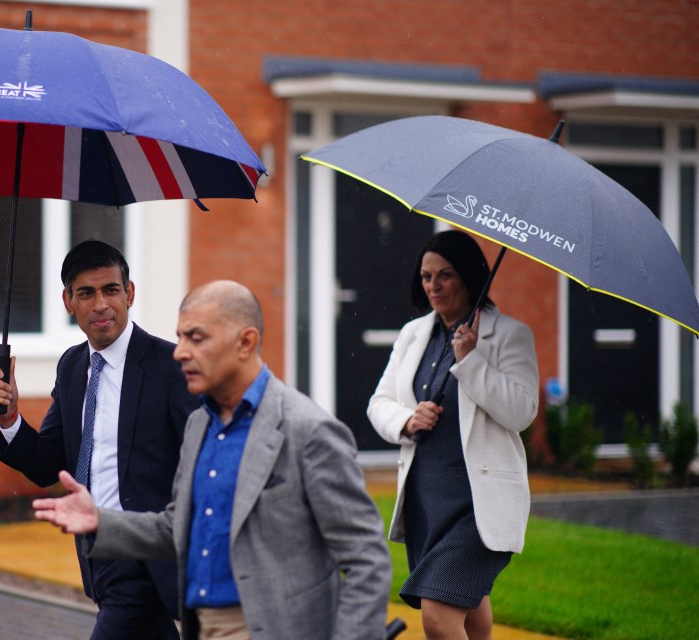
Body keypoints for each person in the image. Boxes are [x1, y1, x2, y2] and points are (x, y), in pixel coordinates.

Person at [32, 280, 393, 640]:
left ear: (245, 342)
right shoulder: (200, 424)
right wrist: (100, 522)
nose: (180, 352)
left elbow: (366, 561)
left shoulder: (308, 431)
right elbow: (178, 527)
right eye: (180, 337)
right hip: (201, 626)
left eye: (197, 338)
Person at [0, 239, 198, 640]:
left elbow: (203, 463)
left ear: (129, 293)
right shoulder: (72, 365)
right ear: (68, 301)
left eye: (110, 290)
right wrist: (10, 417)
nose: (100, 304)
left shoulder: (172, 366)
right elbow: (49, 464)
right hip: (95, 551)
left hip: (147, 556)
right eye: (86, 293)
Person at [366, 230, 539, 640]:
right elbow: (379, 402)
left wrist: (472, 361)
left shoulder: (510, 335)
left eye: (445, 275)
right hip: (427, 500)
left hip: (479, 505)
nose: (433, 286)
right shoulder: (413, 334)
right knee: (469, 608)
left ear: (468, 276)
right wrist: (407, 420)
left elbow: (521, 411)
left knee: (438, 617)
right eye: (426, 276)